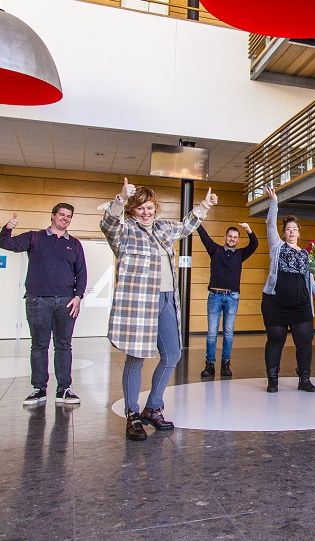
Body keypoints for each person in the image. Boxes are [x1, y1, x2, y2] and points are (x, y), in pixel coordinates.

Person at [101, 177, 217, 441]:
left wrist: (204, 205)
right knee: (137, 357)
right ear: (132, 210)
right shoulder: (125, 229)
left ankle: (153, 407)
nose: (146, 212)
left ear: (155, 208)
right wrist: (119, 199)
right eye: (140, 208)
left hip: (166, 298)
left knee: (172, 355)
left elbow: (186, 226)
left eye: (150, 207)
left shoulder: (163, 228)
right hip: (140, 302)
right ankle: (132, 415)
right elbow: (107, 225)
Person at [0, 204, 87, 406]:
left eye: (69, 216)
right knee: (39, 346)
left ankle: (64, 389)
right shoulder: (34, 237)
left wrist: (78, 296)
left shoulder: (74, 244)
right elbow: (5, 243)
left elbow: (81, 272)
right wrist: (8, 227)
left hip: (66, 302)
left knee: (64, 345)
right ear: (53, 216)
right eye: (62, 215)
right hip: (37, 301)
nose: (65, 218)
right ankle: (39, 389)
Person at [261, 187, 315, 393]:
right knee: (276, 340)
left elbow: (312, 281)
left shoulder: (306, 255)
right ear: (284, 232)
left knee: (305, 342)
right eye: (288, 229)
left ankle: (304, 379)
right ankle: (272, 380)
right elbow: (270, 223)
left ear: (299, 232)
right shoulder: (277, 246)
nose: (291, 232)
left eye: (294, 229)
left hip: (301, 305)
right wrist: (274, 202)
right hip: (275, 303)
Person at [196, 222, 258, 379]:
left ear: (238, 240)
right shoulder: (215, 250)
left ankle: (225, 364)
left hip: (232, 297)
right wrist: (197, 219)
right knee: (211, 333)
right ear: (225, 237)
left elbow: (254, 244)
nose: (232, 239)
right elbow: (203, 236)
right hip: (214, 296)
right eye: (230, 236)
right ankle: (210, 365)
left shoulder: (240, 254)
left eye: (235, 237)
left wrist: (248, 230)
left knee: (229, 333)